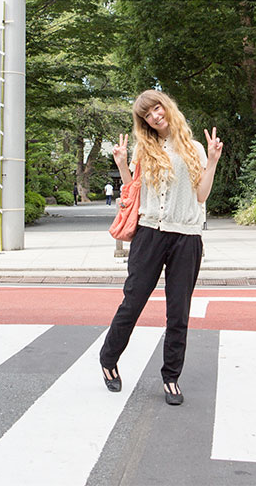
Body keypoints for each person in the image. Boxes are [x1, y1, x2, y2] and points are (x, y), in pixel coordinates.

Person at [99, 89, 223, 406]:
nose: (155, 116)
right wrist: (123, 164)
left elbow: (201, 196)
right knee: (133, 301)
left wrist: (211, 162)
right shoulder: (145, 149)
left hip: (186, 237)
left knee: (178, 312)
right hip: (149, 234)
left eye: (157, 108)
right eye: (147, 115)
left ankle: (171, 377)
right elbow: (132, 191)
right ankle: (108, 357)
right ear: (145, 123)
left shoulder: (194, 148)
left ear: (167, 106)